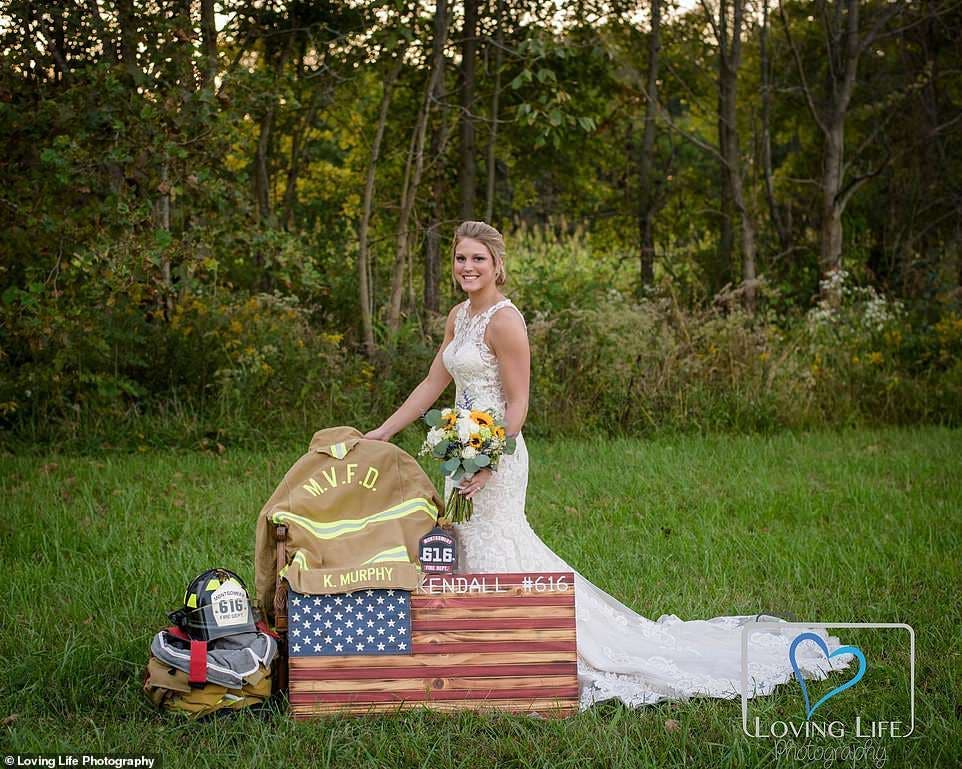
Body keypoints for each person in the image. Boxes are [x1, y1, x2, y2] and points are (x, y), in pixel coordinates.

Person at [365, 220, 850, 710]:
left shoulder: (506, 320)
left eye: (478, 259)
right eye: (460, 258)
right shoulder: (458, 316)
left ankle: (531, 650)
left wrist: (488, 463)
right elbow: (433, 383)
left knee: (496, 545)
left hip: (497, 455)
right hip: (458, 452)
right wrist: (384, 431)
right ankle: (479, 651)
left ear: (498, 264)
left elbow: (517, 405)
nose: (467, 268)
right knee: (463, 543)